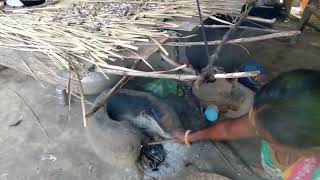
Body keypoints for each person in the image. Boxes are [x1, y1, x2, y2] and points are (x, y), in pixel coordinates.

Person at [173, 69, 320, 180]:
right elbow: (228, 130)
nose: (253, 126)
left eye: (264, 136)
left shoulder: (309, 174)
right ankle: (271, 169)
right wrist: (190, 137)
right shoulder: (269, 111)